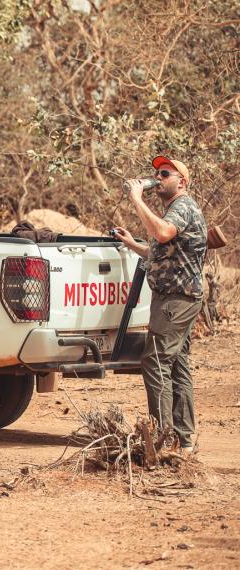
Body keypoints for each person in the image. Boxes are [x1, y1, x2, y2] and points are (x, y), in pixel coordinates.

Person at [111, 156, 207, 454]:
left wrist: (137, 198)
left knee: (154, 362)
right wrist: (132, 244)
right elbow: (160, 250)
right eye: (157, 173)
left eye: (165, 173)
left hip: (176, 300)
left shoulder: (182, 206)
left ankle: (163, 440)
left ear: (182, 181)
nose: (158, 177)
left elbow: (163, 233)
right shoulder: (174, 210)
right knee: (177, 364)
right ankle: (183, 438)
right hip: (178, 298)